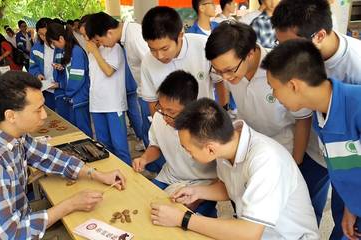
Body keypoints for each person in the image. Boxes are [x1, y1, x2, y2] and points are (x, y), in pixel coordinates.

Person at [0, 71, 126, 239]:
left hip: (19, 216)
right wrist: (71, 204)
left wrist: (96, 174)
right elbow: (10, 235)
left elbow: (49, 156)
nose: (44, 115)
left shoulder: (13, 134)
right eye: (38, 109)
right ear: (11, 115)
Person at [150, 98, 319, 239]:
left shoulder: (266, 161)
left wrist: (183, 219)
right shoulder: (228, 144)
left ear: (210, 149)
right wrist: (197, 192)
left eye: (188, 149)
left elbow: (249, 233)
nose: (188, 154)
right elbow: (232, 186)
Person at [271, 1, 361, 237]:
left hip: (349, 159)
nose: (284, 54)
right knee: (307, 208)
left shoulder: (356, 70)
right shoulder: (320, 108)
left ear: (319, 36)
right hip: (321, 150)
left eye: (290, 46)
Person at [205, 22, 313, 163]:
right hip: (249, 147)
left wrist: (296, 162)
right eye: (218, 71)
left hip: (282, 149)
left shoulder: (283, 69)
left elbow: (303, 119)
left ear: (250, 53)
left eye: (229, 70)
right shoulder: (230, 69)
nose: (224, 77)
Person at [133, 71, 217, 217]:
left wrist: (199, 197)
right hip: (170, 177)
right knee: (143, 203)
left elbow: (222, 175)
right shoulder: (161, 117)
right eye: (161, 108)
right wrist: (144, 159)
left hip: (203, 182)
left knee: (189, 219)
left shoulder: (207, 126)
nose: (165, 117)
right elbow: (156, 145)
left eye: (171, 112)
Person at [83, 12, 149, 149]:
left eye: (98, 40)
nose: (99, 44)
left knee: (126, 144)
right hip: (144, 94)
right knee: (104, 144)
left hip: (148, 96)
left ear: (109, 33)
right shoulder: (127, 37)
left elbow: (153, 64)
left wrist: (95, 52)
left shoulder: (133, 37)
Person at [141, 6, 224, 115]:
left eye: (164, 48)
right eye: (152, 49)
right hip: (170, 124)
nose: (159, 56)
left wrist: (223, 111)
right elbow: (152, 102)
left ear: (180, 35)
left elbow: (220, 83)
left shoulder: (204, 46)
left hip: (203, 120)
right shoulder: (148, 62)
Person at [85, 36, 131, 164]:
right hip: (96, 104)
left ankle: (128, 177)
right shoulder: (91, 52)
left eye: (86, 36)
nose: (85, 39)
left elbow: (108, 71)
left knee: (119, 146)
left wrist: (95, 51)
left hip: (113, 104)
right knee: (104, 146)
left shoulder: (115, 48)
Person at [46, 22, 92, 137]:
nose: (54, 45)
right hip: (73, 97)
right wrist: (61, 69)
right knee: (75, 132)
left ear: (61, 38)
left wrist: (65, 90)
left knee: (83, 132)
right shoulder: (67, 51)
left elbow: (77, 78)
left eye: (53, 42)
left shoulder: (76, 51)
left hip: (79, 98)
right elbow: (70, 73)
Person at [29, 17, 56, 111]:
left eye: (46, 34)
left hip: (60, 89)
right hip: (46, 89)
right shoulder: (36, 48)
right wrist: (37, 74)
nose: (44, 37)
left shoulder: (60, 45)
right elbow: (33, 66)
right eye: (40, 34)